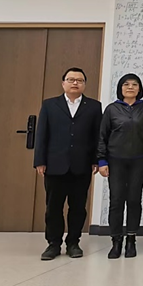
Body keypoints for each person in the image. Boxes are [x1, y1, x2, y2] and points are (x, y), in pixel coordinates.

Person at [34, 68, 102, 261]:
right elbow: (42, 134)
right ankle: (53, 244)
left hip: (82, 165)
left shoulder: (94, 106)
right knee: (53, 207)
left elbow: (97, 136)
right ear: (63, 83)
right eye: (71, 79)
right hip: (54, 165)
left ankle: (73, 243)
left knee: (78, 207)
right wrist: (40, 161)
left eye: (79, 80)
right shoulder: (50, 105)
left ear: (84, 84)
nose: (75, 83)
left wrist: (96, 159)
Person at [98, 73, 143, 259]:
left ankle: (131, 240)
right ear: (120, 88)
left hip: (139, 161)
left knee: (134, 200)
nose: (130, 87)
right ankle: (116, 241)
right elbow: (102, 136)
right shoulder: (112, 109)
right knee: (116, 200)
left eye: (134, 84)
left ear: (139, 88)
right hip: (116, 161)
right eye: (126, 84)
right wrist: (102, 161)